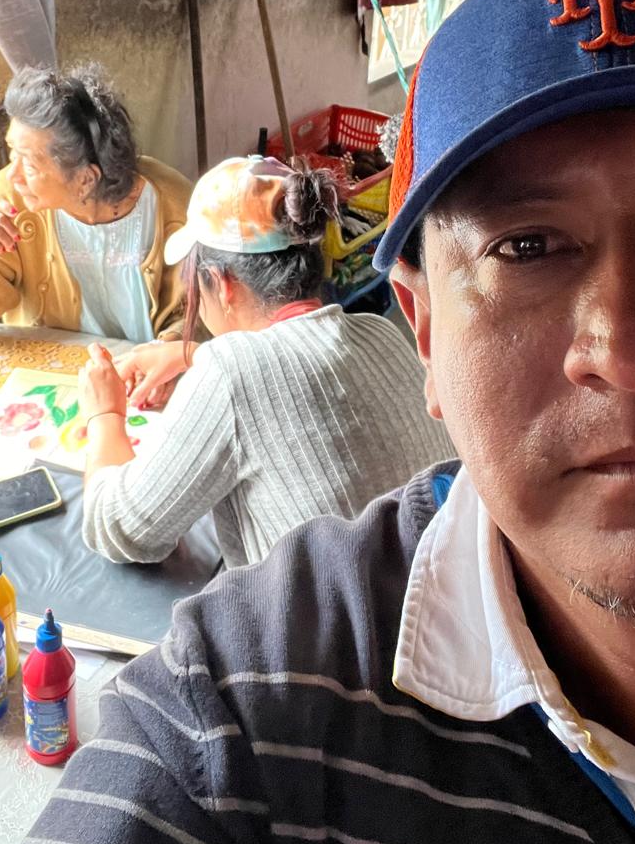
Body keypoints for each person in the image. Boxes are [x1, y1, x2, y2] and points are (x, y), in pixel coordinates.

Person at [8, 0, 635, 844]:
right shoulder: (238, 711)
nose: (630, 354)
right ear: (420, 330)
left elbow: (125, 526)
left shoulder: (222, 357)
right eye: (526, 247)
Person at [77, 155, 449, 568]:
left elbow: (120, 528)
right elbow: (297, 383)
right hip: (432, 594)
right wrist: (191, 355)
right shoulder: (379, 332)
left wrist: (104, 414)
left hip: (333, 612)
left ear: (222, 284)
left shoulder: (230, 373)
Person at [0, 65, 193, 344]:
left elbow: (208, 315)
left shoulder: (174, 205)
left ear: (85, 179)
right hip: (54, 371)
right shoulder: (11, 198)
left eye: (30, 164)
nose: (13, 175)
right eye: (12, 152)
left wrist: (166, 349)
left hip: (147, 369)